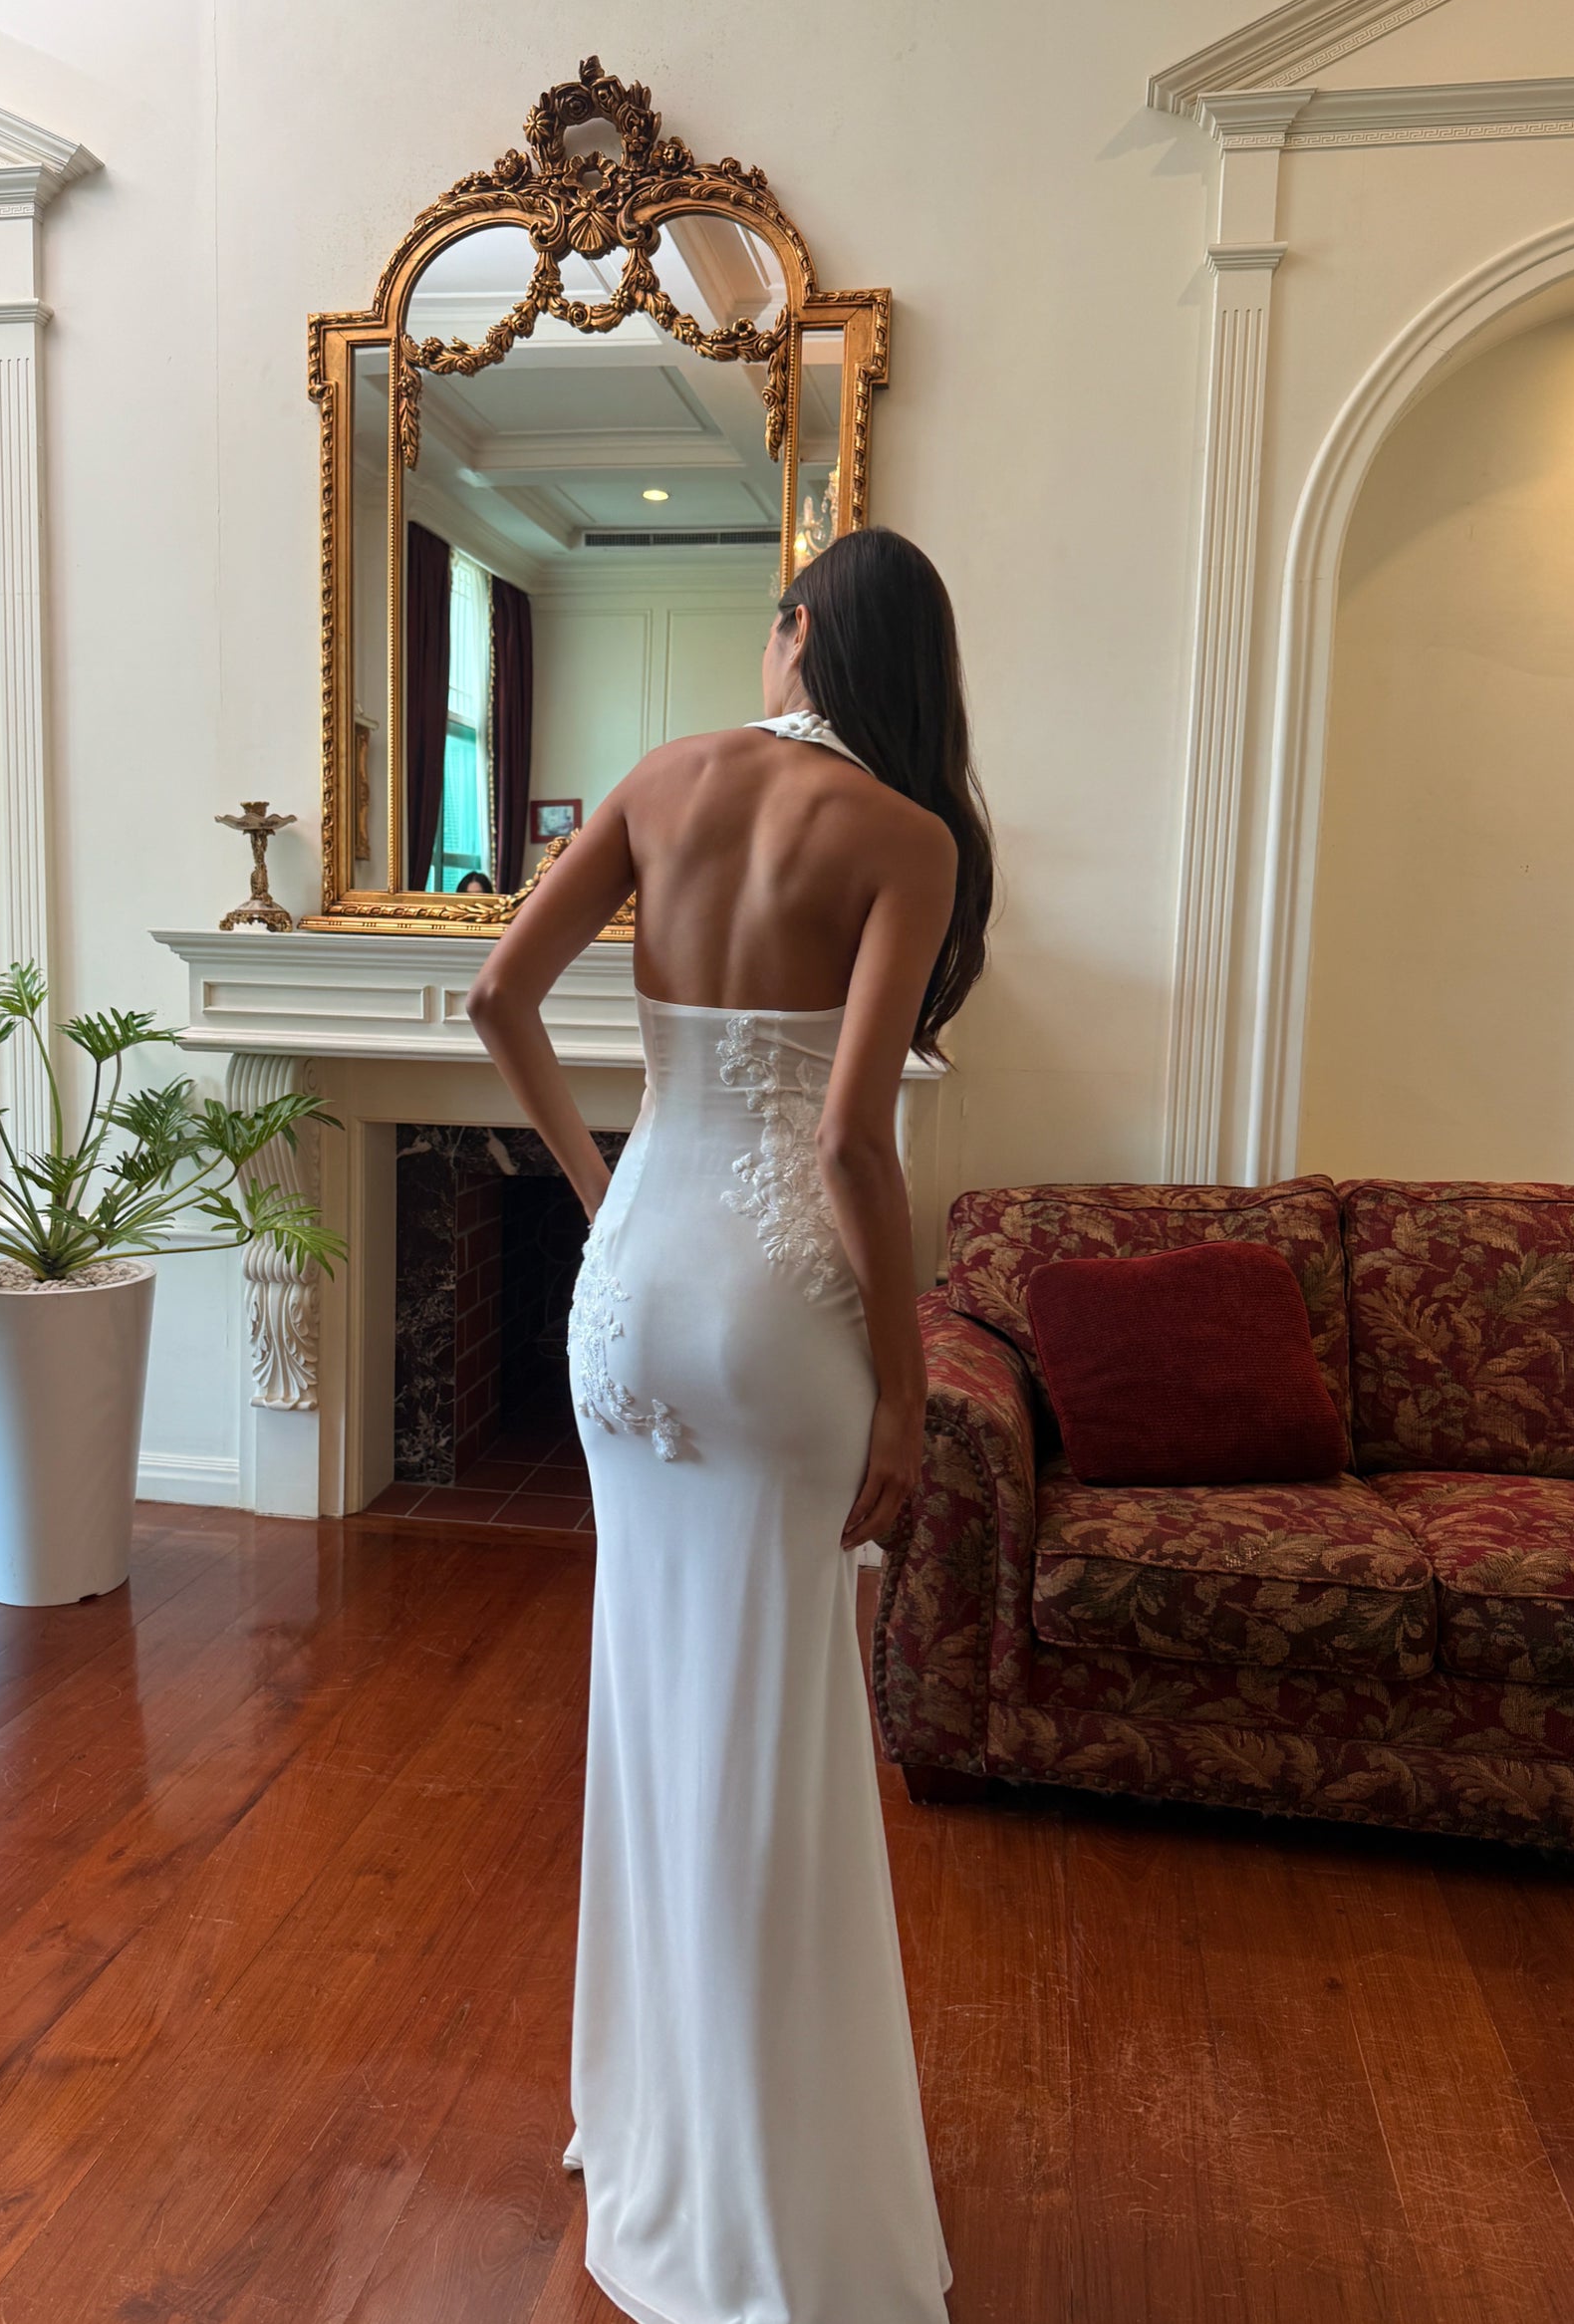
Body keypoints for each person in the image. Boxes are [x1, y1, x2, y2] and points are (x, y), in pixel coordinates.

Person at [465, 526, 994, 2324]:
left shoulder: (658, 777)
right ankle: (767, 2180)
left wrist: (597, 1182)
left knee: (649, 1689)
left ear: (794, 637)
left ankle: (647, 2113)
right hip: (778, 1314)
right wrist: (906, 1391)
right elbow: (849, 1141)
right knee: (774, 1719)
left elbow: (496, 998)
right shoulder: (905, 838)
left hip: (629, 1287)